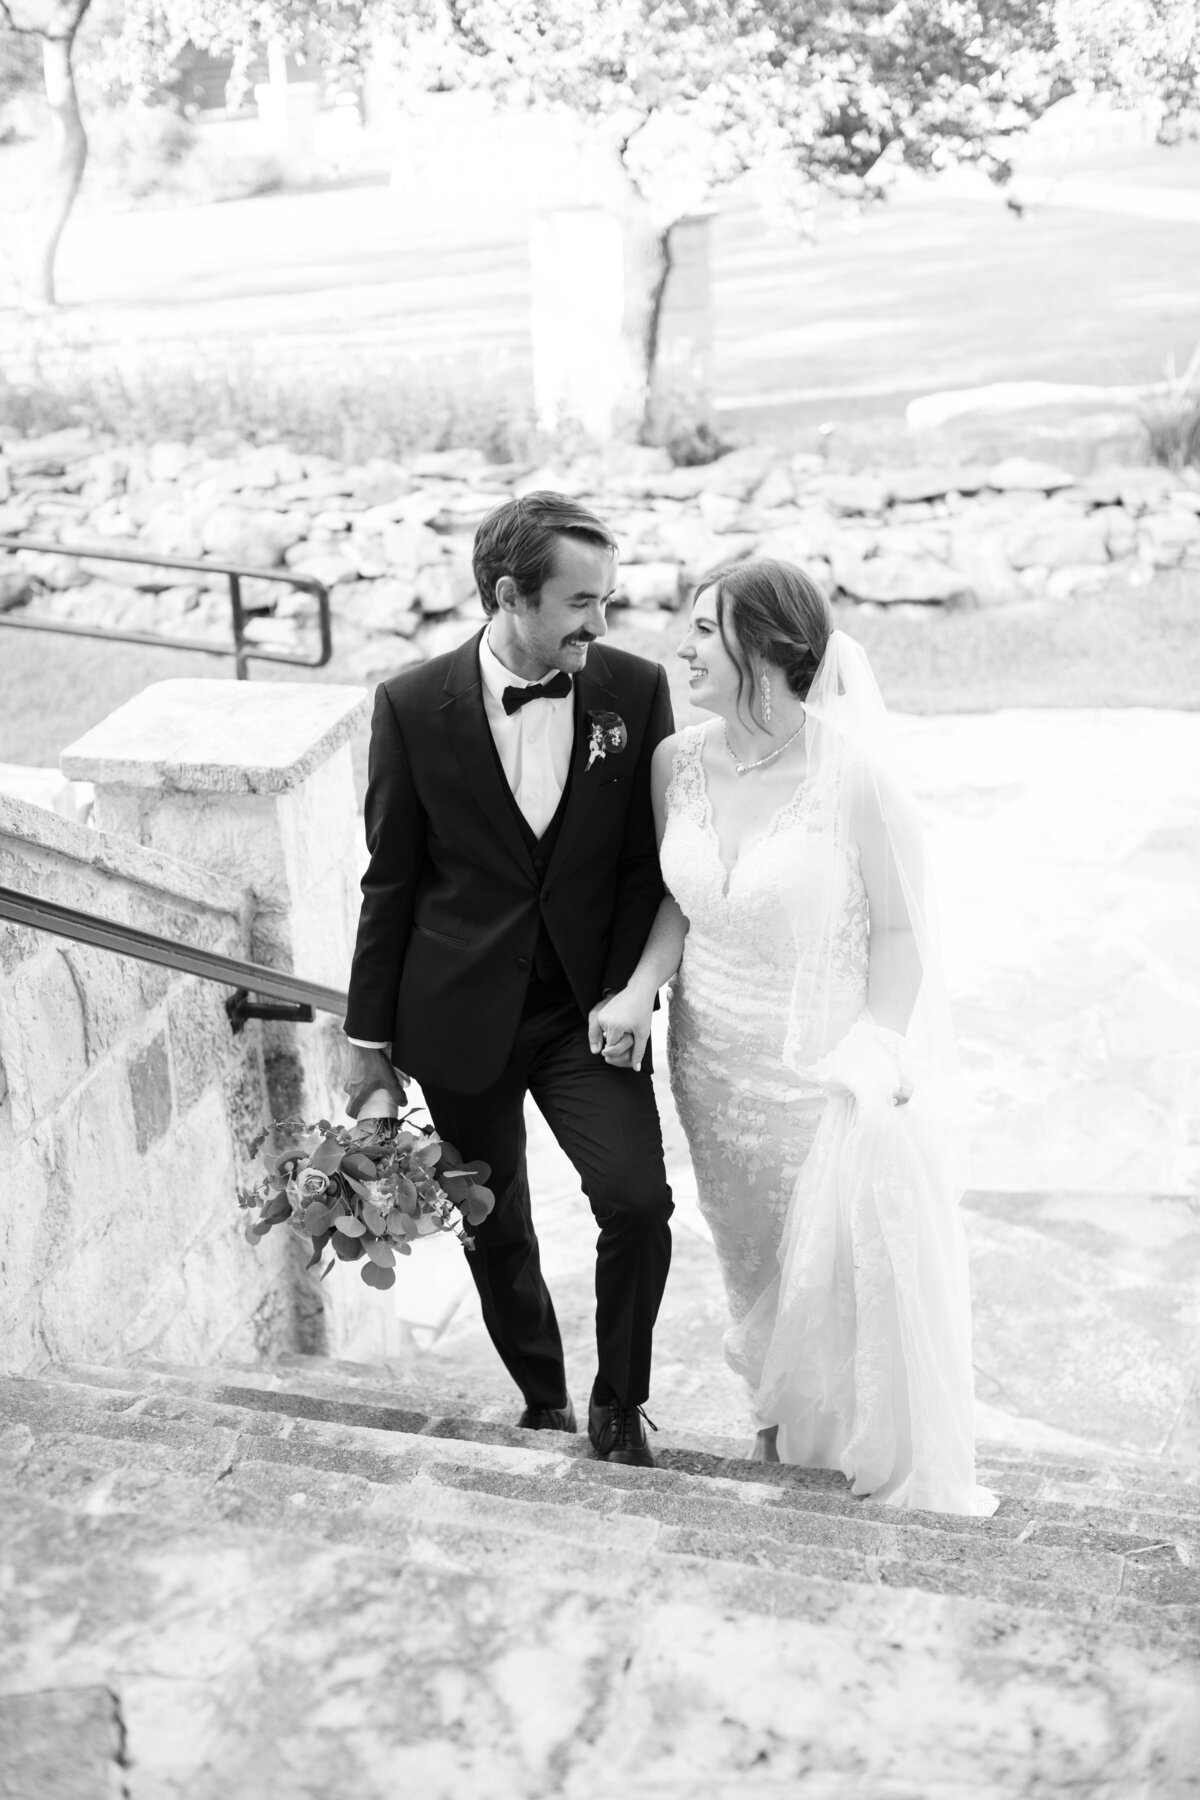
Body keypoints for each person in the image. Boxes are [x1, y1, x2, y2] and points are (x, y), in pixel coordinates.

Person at [591, 559, 996, 1514]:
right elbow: (682, 903)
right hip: (711, 1065)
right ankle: (776, 1444)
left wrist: (878, 1048)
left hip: (820, 1069)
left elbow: (901, 935)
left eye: (702, 630)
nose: (680, 648)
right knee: (756, 1272)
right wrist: (637, 990)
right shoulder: (674, 764)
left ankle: (843, 1455)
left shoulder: (859, 781)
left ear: (766, 648)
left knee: (838, 1272)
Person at [342, 492, 675, 1467]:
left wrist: (632, 994)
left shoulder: (633, 690)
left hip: (587, 1013)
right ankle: (544, 1398)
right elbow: (392, 879)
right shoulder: (410, 706)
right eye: (580, 602)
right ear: (507, 594)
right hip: (457, 1021)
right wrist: (368, 1043)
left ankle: (620, 1403)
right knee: (498, 1227)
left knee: (636, 1203)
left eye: (606, 599)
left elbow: (647, 867)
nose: (600, 622)